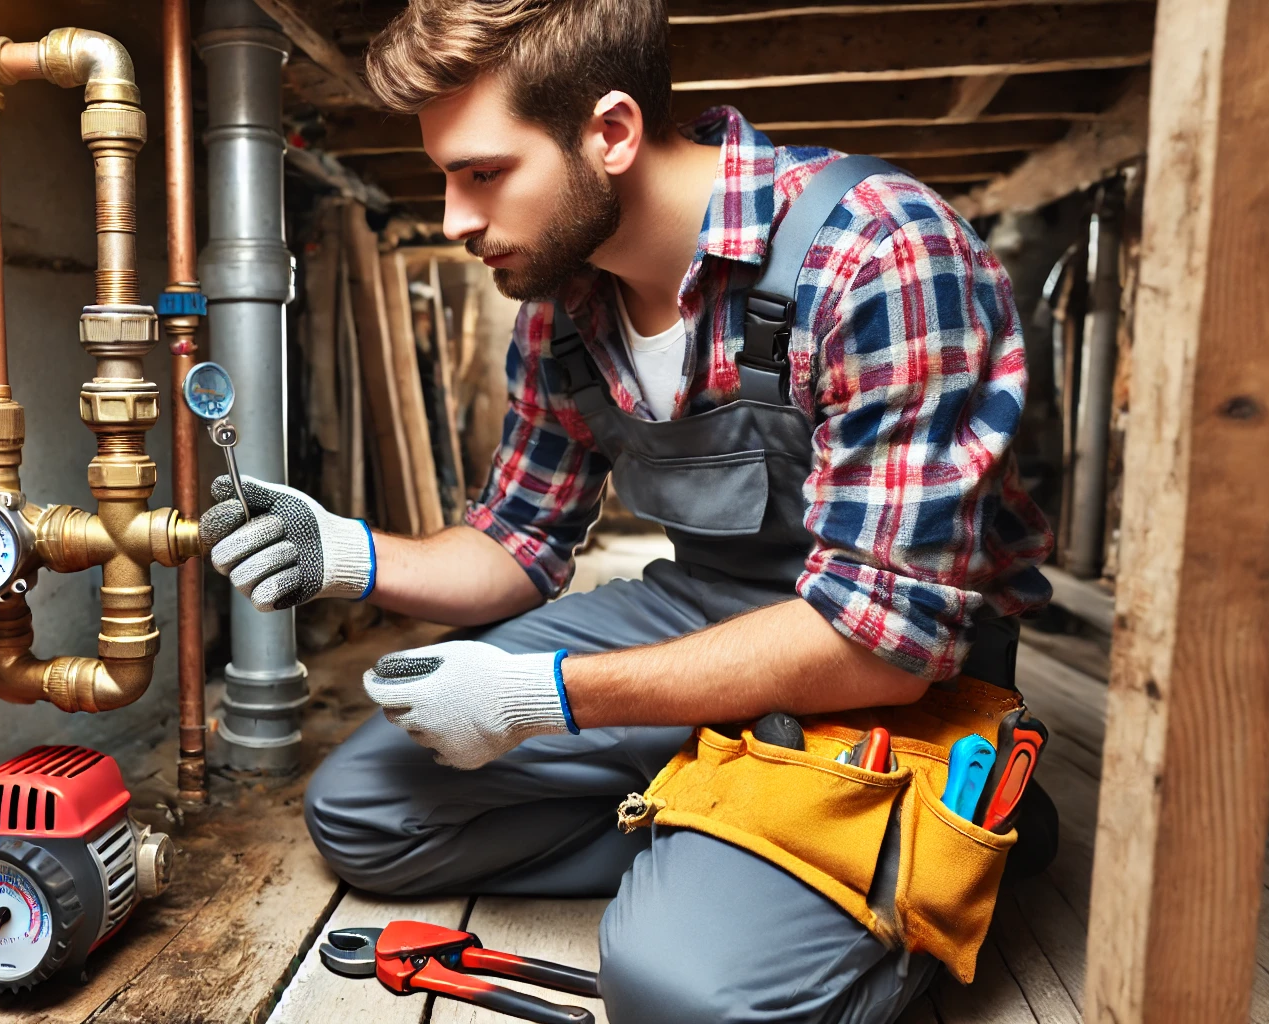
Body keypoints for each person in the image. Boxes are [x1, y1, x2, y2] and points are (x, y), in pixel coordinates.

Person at [197, 1, 1053, 1020]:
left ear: (611, 132)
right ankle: (718, 812)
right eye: (445, 177)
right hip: (705, 606)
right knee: (365, 813)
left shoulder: (878, 254)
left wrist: (542, 697)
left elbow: (882, 638)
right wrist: (342, 551)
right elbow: (515, 543)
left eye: (482, 173)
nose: (456, 217)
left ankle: (954, 830)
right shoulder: (567, 309)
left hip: (889, 666)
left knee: (682, 993)